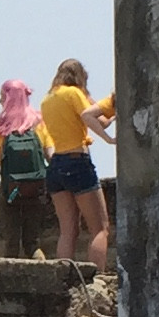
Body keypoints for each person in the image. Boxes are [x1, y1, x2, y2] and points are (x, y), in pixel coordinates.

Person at [42, 58, 118, 269]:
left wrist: (108, 117)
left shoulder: (47, 100)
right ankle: (97, 281)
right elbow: (91, 118)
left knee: (67, 230)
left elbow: (100, 120)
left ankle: (63, 276)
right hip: (77, 160)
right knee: (100, 228)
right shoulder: (74, 94)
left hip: (56, 164)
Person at [0, 79, 52, 258]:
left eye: (2, 96)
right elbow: (50, 155)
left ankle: (9, 283)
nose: (0, 101)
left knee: (11, 241)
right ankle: (41, 275)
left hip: (11, 189)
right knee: (33, 242)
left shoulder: (0, 125)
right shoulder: (38, 121)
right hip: (36, 187)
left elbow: (1, 160)